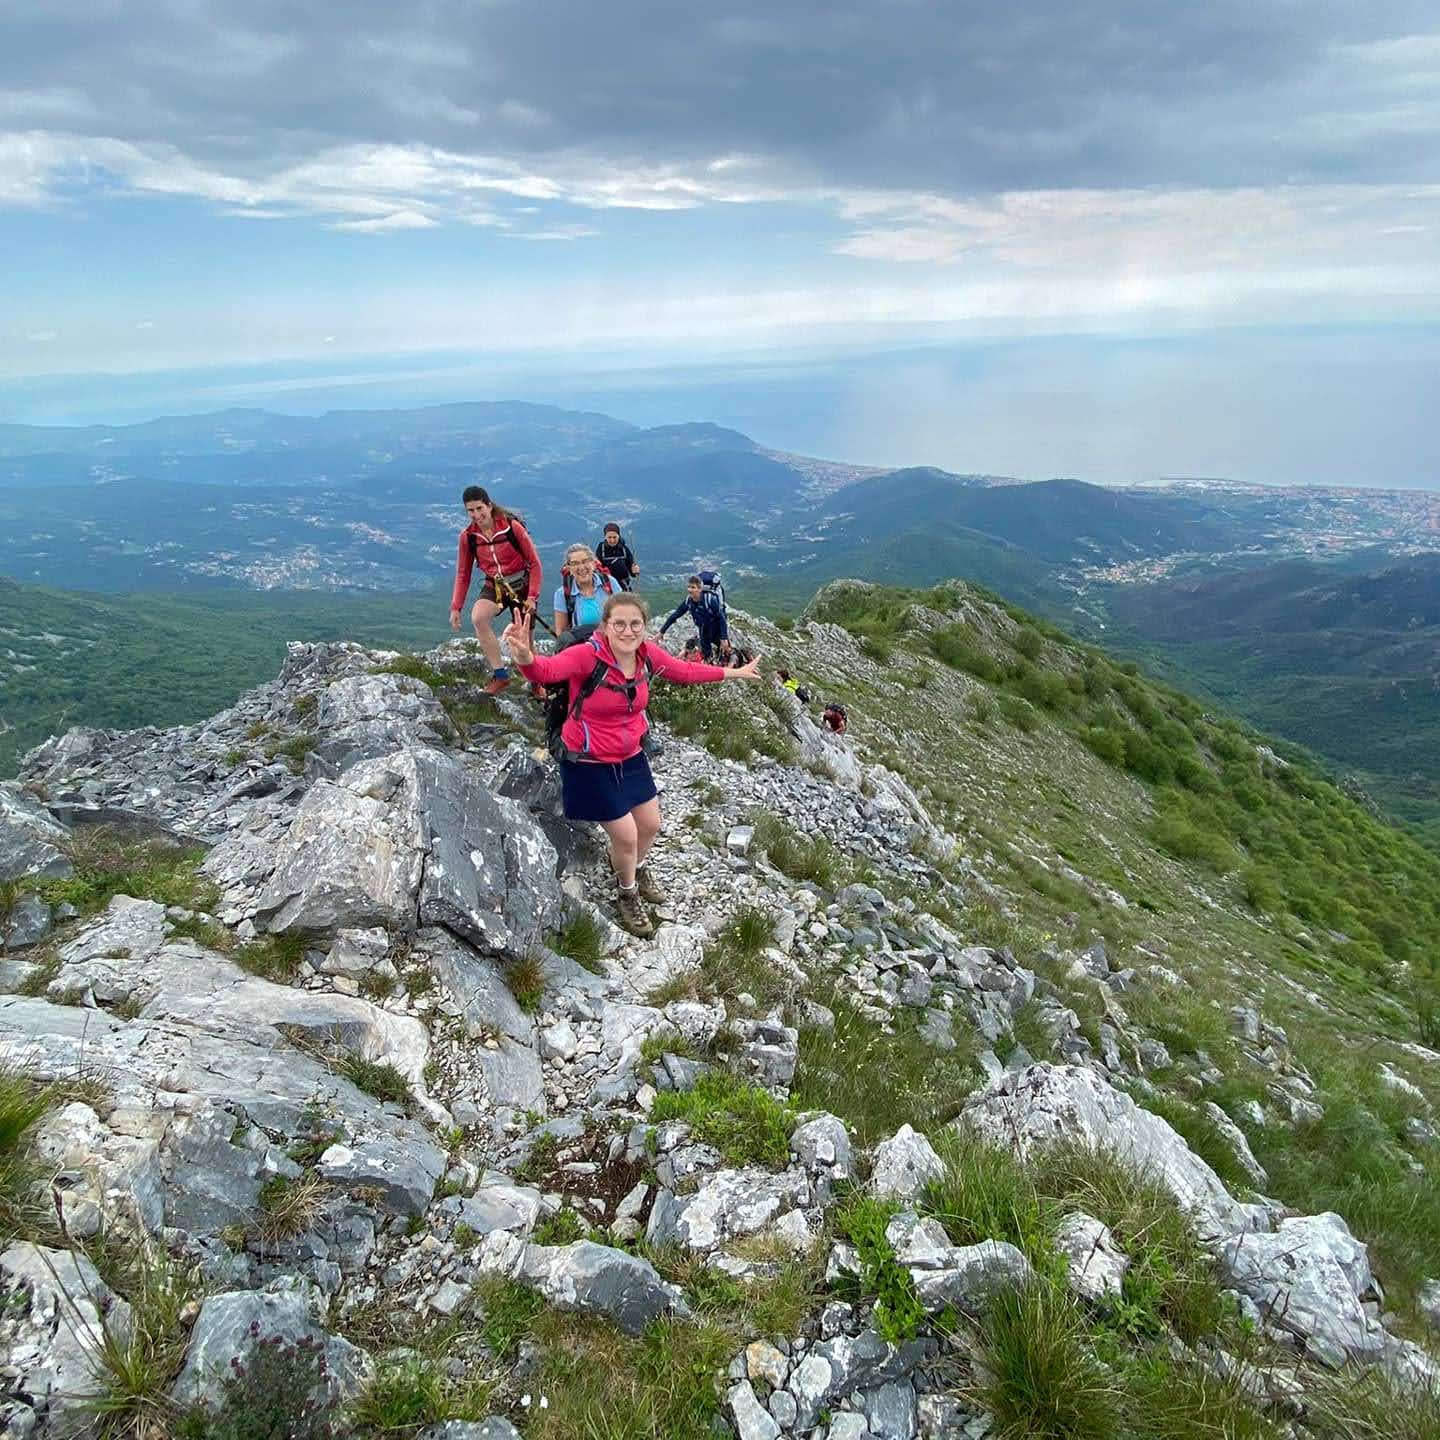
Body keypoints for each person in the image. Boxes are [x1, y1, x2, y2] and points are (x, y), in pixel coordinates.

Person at [504, 593, 762, 937]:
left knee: (650, 825)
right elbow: (547, 671)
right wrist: (525, 657)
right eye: (620, 624)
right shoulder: (586, 656)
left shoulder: (645, 655)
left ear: (644, 626)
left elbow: (685, 672)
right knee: (626, 835)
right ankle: (627, 893)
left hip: (630, 756)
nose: (628, 631)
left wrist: (734, 673)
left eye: (635, 624)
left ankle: (636, 869)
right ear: (606, 626)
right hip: (588, 760)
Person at [449, 485, 543, 695]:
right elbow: (463, 573)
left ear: (489, 506)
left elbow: (535, 564)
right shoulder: (469, 537)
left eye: (479, 508)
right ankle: (500, 675)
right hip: (496, 586)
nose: (476, 514)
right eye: (471, 510)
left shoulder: (511, 527)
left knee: (526, 639)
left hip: (521, 585)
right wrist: (456, 607)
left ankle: (537, 682)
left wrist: (532, 597)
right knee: (478, 618)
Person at [553, 543, 618, 637]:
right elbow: (561, 632)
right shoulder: (562, 594)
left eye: (585, 561)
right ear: (569, 568)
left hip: (613, 642)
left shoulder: (610, 583)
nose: (581, 567)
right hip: (583, 645)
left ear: (593, 563)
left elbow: (625, 614)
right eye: (575, 563)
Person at [659, 575, 728, 661]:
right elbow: (675, 615)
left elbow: (721, 618)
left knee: (723, 652)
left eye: (693, 587)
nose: (689, 590)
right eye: (688, 587)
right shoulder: (688, 601)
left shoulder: (710, 600)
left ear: (700, 589)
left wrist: (724, 637)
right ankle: (708, 663)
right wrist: (661, 632)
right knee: (706, 654)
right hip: (704, 629)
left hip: (716, 627)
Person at [595, 524, 639, 589]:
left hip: (624, 586)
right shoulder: (601, 549)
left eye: (614, 537)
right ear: (605, 537)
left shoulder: (624, 549)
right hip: (608, 586)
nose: (612, 540)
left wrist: (635, 570)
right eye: (609, 537)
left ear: (619, 536)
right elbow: (597, 567)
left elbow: (631, 568)